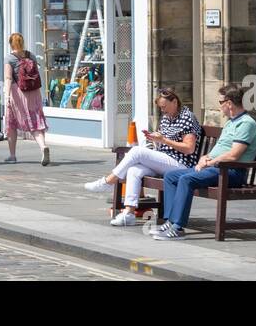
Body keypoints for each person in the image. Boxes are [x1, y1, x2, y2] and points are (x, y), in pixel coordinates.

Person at [152, 83, 256, 240]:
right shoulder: (231, 122)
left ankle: (178, 227)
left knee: (186, 179)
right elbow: (221, 149)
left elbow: (233, 155)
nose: (219, 107)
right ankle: (170, 221)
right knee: (171, 176)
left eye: (220, 102)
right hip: (216, 168)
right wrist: (206, 157)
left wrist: (210, 162)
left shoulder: (246, 124)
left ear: (229, 104)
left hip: (231, 172)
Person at [84, 86, 204, 226]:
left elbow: (189, 149)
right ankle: (128, 213)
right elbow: (163, 140)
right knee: (133, 170)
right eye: (160, 107)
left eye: (164, 106)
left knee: (136, 152)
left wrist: (163, 140)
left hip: (181, 163)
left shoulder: (187, 117)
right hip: (165, 159)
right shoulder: (167, 117)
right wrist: (155, 139)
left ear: (175, 102)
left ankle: (108, 181)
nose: (162, 110)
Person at [3, 32, 51, 165]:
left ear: (10, 43)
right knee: (36, 122)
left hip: (18, 93)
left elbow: (8, 78)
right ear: (22, 42)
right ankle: (43, 147)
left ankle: (12, 156)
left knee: (11, 123)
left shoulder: (9, 58)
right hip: (34, 92)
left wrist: (6, 96)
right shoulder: (31, 56)